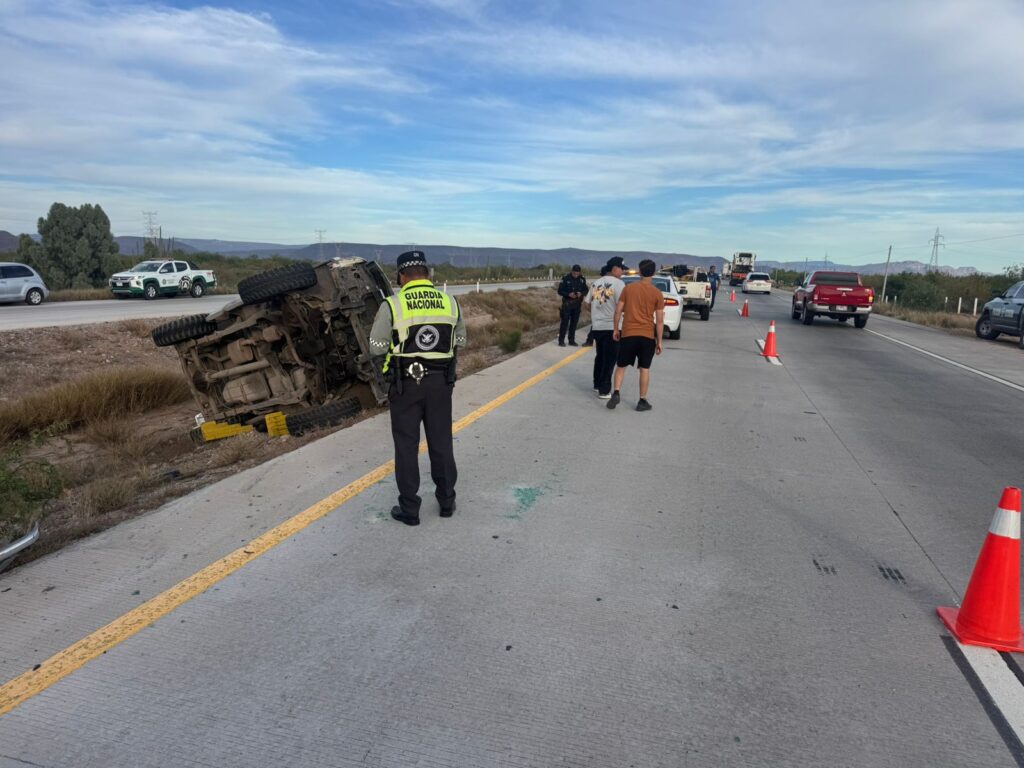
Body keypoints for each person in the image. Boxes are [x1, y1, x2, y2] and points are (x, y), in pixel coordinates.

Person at [368, 251, 468, 526]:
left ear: (401, 276)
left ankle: (410, 509)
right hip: (440, 384)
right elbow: (461, 339)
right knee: (441, 443)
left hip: (406, 384)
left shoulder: (393, 304)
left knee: (406, 446)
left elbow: (375, 347)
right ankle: (447, 502)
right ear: (428, 273)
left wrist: (393, 364)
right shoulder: (450, 302)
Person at [607, 258, 664, 412]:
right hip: (646, 337)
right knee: (644, 369)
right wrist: (659, 341)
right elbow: (659, 321)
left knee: (621, 366)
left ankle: (616, 392)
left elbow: (618, 311)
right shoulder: (657, 293)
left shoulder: (628, 289)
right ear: (653, 272)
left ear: (639, 271)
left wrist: (615, 330)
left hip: (629, 334)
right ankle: (642, 401)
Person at [584, 257, 627, 398]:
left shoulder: (596, 283)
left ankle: (597, 384)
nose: (622, 272)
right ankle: (604, 390)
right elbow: (623, 305)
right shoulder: (619, 284)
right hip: (612, 326)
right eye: (622, 269)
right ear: (615, 269)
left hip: (597, 326)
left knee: (600, 355)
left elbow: (587, 303)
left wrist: (596, 314)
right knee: (610, 358)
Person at [557, 264, 587, 346]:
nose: (576, 275)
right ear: (572, 271)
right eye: (574, 273)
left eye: (577, 273)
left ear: (580, 272)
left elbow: (586, 290)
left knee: (574, 323)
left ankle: (571, 340)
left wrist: (581, 293)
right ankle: (561, 341)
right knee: (565, 323)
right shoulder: (566, 278)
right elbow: (560, 291)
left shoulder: (582, 279)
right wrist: (568, 294)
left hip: (577, 304)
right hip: (567, 304)